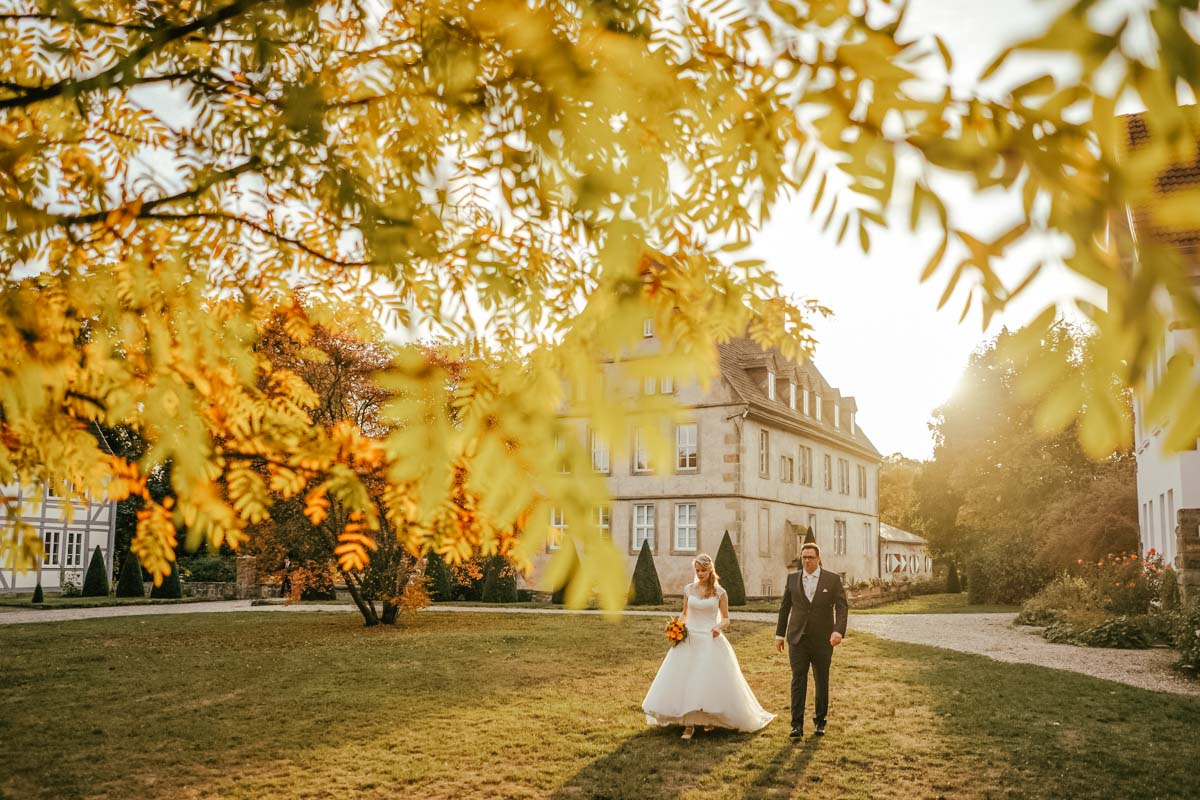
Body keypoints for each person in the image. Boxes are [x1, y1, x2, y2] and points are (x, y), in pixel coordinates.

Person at [643, 553, 775, 739]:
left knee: (706, 680)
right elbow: (685, 613)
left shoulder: (720, 593)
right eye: (697, 570)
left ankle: (708, 718)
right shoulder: (689, 589)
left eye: (703, 571)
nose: (699, 574)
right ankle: (688, 725)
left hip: (709, 638)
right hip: (689, 638)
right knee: (687, 679)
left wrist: (718, 627)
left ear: (710, 570)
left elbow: (726, 618)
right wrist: (678, 626)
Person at [775, 542, 847, 739]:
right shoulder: (792, 579)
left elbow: (842, 607)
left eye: (811, 557)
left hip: (823, 640)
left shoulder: (832, 580)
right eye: (804, 557)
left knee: (821, 680)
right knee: (798, 680)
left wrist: (838, 631)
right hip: (797, 639)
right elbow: (784, 608)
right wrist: (779, 635)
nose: (807, 561)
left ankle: (820, 722)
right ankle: (796, 726)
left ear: (818, 558)